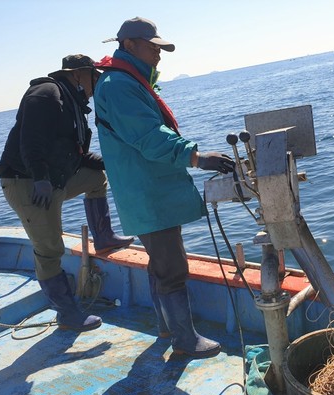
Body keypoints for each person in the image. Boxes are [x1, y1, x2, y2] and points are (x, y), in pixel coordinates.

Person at [94, 17, 235, 358]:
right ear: (129, 45)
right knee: (171, 268)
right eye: (153, 46)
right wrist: (196, 157)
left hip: (149, 190)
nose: (159, 54)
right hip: (148, 193)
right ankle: (185, 341)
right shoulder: (119, 85)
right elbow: (149, 137)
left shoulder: (129, 81)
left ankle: (167, 328)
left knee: (160, 264)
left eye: (161, 47)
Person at [0, 54, 134, 332]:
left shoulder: (73, 105)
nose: (97, 83)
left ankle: (103, 237)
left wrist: (114, 162)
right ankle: (67, 313)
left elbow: (78, 156)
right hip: (30, 184)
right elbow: (30, 139)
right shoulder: (46, 93)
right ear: (79, 74)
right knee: (49, 249)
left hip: (54, 180)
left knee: (96, 178)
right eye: (95, 76)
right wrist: (40, 178)